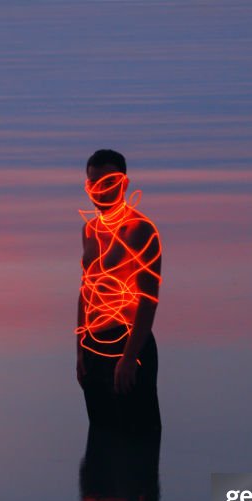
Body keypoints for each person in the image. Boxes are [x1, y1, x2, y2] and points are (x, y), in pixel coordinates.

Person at [75, 149, 162, 434]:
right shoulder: (89, 230)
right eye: (93, 184)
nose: (99, 191)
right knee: (101, 437)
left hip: (128, 342)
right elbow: (86, 288)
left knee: (138, 439)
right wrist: (80, 350)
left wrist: (128, 357)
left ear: (123, 183)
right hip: (93, 347)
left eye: (107, 182)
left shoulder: (140, 230)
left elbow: (148, 301)